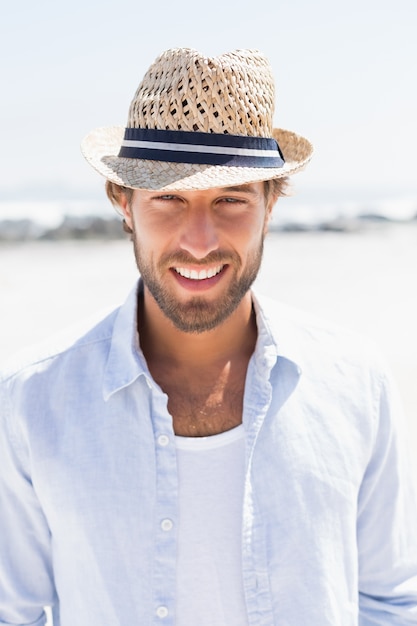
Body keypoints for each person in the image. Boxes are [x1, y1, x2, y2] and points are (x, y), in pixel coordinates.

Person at [0, 47, 416, 626]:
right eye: (168, 198)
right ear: (123, 203)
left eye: (231, 200)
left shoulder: (356, 383)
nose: (199, 241)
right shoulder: (32, 399)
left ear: (272, 203)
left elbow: (391, 600)